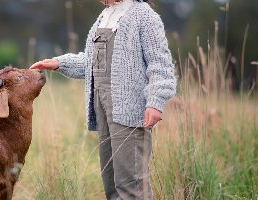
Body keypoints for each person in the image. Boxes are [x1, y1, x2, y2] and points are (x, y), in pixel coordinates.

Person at [30, 0, 176, 199]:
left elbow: (161, 65)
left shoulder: (144, 16)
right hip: (102, 108)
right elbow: (91, 63)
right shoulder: (105, 16)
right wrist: (58, 63)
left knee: (131, 184)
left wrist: (155, 102)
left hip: (129, 111)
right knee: (111, 183)